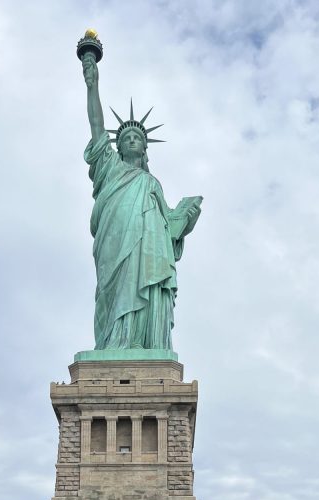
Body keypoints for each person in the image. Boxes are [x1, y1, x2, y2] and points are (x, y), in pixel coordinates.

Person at [81, 52, 202, 351]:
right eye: (126, 138)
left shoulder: (152, 184)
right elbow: (97, 127)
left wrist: (184, 219)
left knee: (146, 286)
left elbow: (168, 227)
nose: (133, 140)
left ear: (145, 148)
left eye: (138, 137)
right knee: (115, 291)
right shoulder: (109, 170)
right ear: (118, 147)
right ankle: (114, 344)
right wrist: (92, 84)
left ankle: (143, 343)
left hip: (149, 251)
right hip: (116, 241)